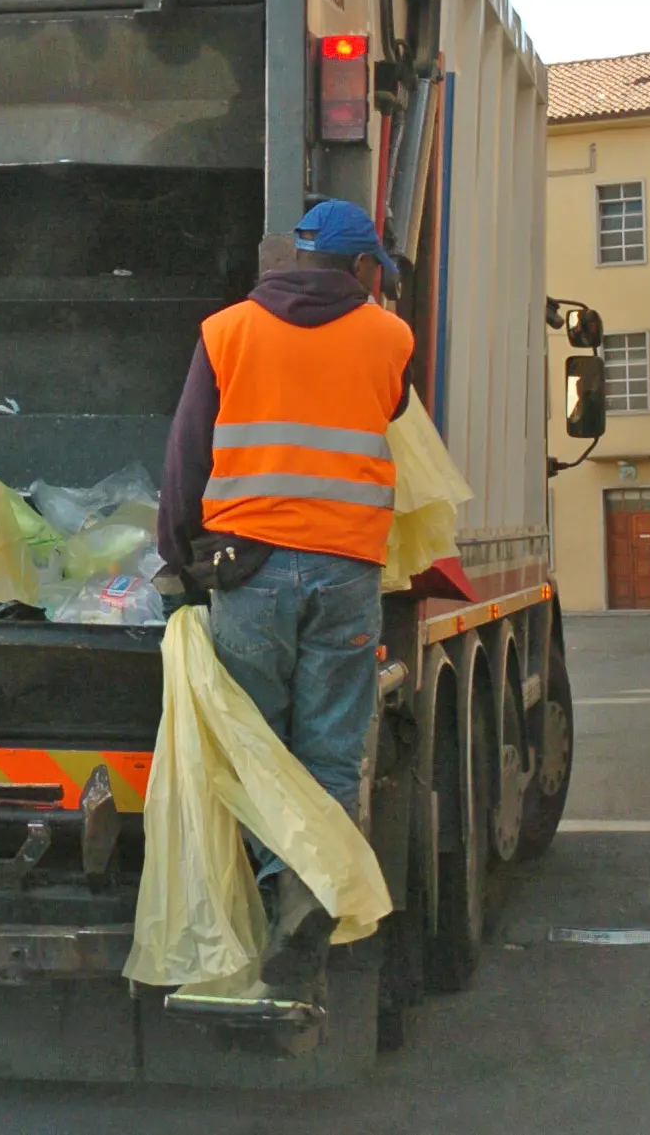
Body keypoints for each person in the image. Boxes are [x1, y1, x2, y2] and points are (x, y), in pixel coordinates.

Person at [156, 196, 413, 1005]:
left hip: (248, 570)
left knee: (257, 747)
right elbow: (395, 409)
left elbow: (186, 451)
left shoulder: (224, 330)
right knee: (330, 751)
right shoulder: (389, 335)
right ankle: (307, 895)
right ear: (362, 268)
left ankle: (281, 893)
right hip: (344, 571)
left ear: (290, 259)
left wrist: (176, 555)